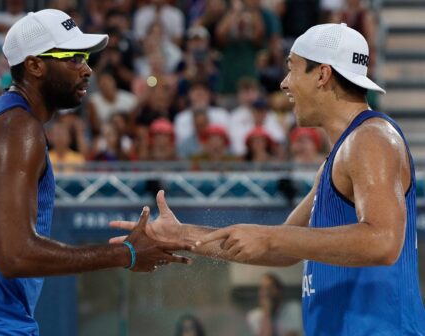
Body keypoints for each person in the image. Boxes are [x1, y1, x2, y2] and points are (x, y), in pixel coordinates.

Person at [111, 23, 425, 334]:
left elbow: (383, 242)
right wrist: (181, 235)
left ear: (322, 74)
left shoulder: (372, 138)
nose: (285, 84)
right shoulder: (339, 156)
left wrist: (270, 236)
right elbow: (282, 249)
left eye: (293, 69)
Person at [0, 9, 192, 335]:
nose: (87, 69)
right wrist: (126, 253)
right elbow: (15, 256)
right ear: (34, 65)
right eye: (73, 58)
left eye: (86, 57)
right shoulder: (19, 130)